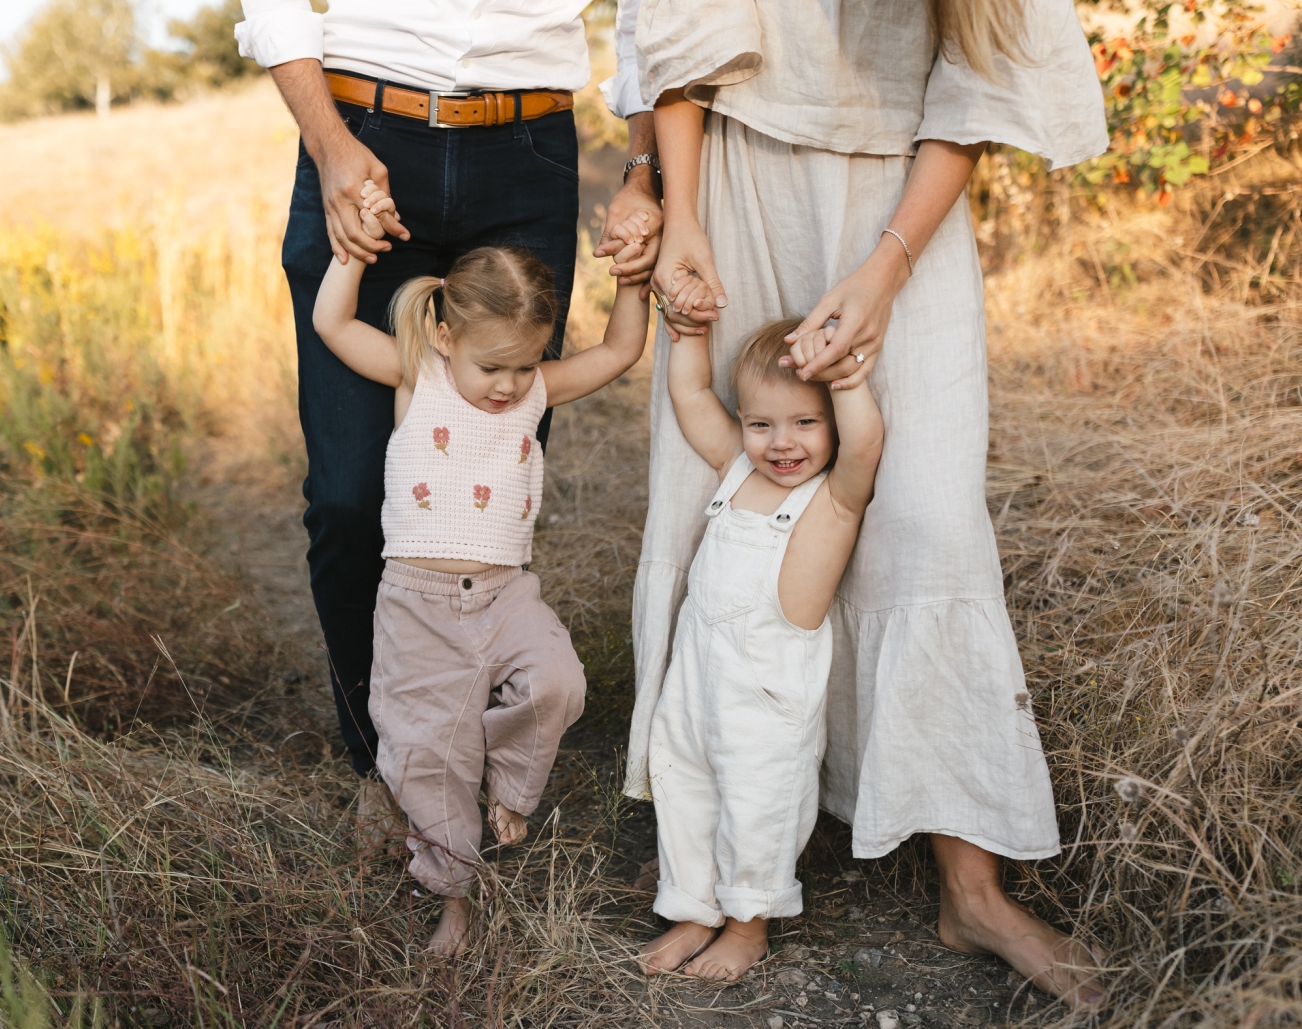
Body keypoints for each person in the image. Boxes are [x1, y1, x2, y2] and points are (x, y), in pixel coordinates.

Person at [614, 0, 1111, 1007]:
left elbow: (981, 69)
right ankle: (706, 872)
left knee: (928, 518)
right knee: (720, 485)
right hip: (734, 167)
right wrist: (683, 212)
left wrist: (887, 267)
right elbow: (675, 25)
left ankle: (971, 891)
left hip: (903, 191)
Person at [234, 0, 665, 816]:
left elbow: (647, 13)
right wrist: (328, 144)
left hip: (529, 151)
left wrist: (643, 170)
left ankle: (458, 742)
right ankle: (383, 763)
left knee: (488, 492)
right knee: (349, 499)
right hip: (365, 135)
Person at [311, 183, 652, 956]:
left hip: (505, 596)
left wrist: (634, 278)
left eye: (526, 364)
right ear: (442, 333)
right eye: (493, 365)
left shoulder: (531, 391)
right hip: (418, 607)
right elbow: (330, 321)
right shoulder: (417, 376)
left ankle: (512, 789)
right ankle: (455, 899)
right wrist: (352, 250)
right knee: (431, 763)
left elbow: (619, 351)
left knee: (559, 681)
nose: (508, 384)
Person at [637, 319, 882, 979]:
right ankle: (693, 906)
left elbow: (865, 444)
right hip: (697, 675)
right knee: (684, 781)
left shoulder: (833, 500)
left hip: (768, 689)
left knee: (757, 800)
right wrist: (686, 322)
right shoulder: (735, 470)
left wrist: (848, 376)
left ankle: (748, 925)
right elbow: (689, 392)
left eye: (806, 422)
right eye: (762, 424)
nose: (782, 443)